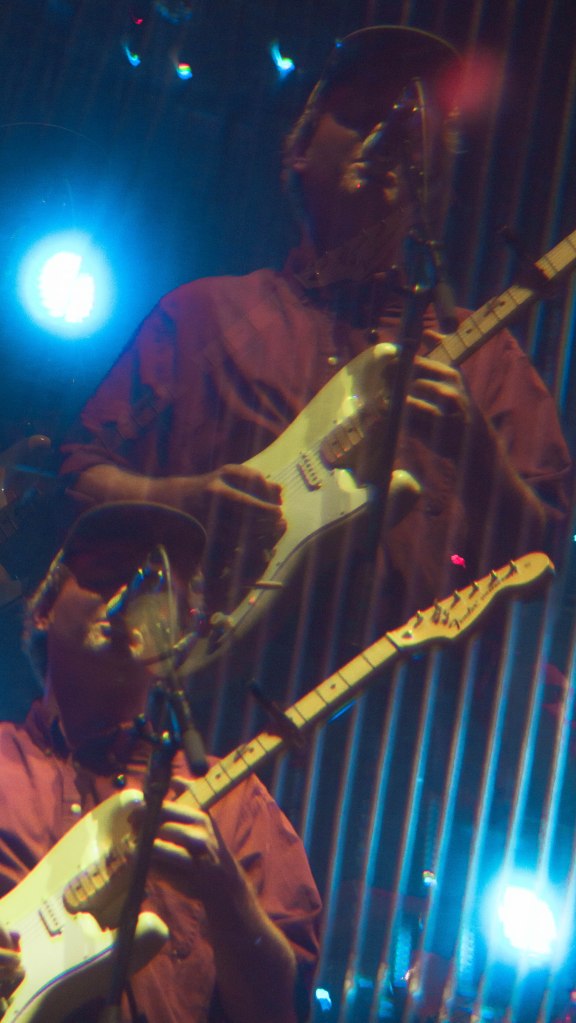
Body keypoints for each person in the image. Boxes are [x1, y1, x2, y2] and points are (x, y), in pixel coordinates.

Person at [58, 24, 571, 679]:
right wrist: (185, 498)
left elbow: (545, 552)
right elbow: (77, 476)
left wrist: (477, 453)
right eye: (362, 116)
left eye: (412, 133)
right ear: (299, 147)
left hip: (395, 709)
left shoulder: (486, 359)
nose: (386, 138)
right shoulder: (204, 315)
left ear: (437, 183)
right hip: (208, 691)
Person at [0, 501, 321, 1023]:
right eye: (107, 572)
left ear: (177, 638)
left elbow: (279, 1010)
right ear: (44, 608)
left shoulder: (234, 801)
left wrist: (227, 894)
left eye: (156, 590)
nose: (130, 594)